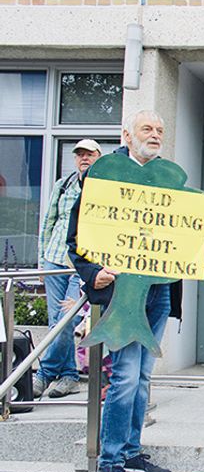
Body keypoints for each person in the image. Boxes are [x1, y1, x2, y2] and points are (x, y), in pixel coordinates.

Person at [67, 110, 183, 472]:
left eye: (160, 130)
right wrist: (91, 272)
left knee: (144, 376)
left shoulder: (169, 177)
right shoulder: (103, 174)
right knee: (126, 377)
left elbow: (181, 228)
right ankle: (109, 463)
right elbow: (77, 237)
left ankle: (132, 453)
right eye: (147, 129)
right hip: (121, 293)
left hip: (159, 292)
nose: (154, 135)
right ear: (127, 134)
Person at [33, 139, 101, 399]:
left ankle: (45, 372)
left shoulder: (102, 188)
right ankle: (69, 375)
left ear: (99, 157)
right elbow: (48, 223)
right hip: (54, 259)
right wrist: (41, 261)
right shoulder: (63, 185)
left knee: (68, 319)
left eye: (90, 154)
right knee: (55, 321)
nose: (84, 158)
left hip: (81, 265)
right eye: (80, 155)